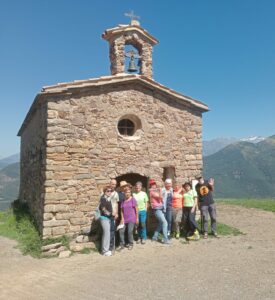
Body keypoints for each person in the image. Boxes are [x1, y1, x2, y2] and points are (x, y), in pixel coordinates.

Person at [117, 185, 139, 251]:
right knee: (121, 231)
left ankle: (131, 244)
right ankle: (122, 244)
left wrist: (137, 218)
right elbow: (121, 211)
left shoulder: (133, 200)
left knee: (129, 231)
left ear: (130, 193)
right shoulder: (123, 201)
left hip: (132, 219)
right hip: (124, 219)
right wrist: (122, 218)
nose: (127, 193)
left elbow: (137, 210)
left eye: (129, 192)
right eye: (126, 192)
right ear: (124, 193)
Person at [150, 179, 169, 244]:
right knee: (165, 222)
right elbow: (160, 197)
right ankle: (165, 239)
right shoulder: (152, 192)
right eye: (152, 185)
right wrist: (160, 190)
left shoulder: (156, 191)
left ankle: (154, 237)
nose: (153, 186)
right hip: (157, 209)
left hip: (161, 208)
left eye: (154, 184)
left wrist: (160, 190)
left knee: (161, 224)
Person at [99, 186, 113, 256]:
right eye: (108, 191)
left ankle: (105, 250)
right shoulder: (103, 199)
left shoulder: (107, 199)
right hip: (104, 218)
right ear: (105, 192)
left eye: (110, 191)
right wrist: (109, 214)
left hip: (106, 218)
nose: (109, 192)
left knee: (106, 234)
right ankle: (105, 251)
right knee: (106, 234)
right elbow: (103, 208)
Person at [109, 179, 119, 252]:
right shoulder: (105, 191)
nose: (113, 186)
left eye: (115, 184)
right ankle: (105, 246)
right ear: (110, 184)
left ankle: (111, 247)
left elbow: (116, 203)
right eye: (112, 184)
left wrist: (117, 213)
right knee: (106, 231)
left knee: (112, 231)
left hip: (113, 214)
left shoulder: (116, 194)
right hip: (105, 214)